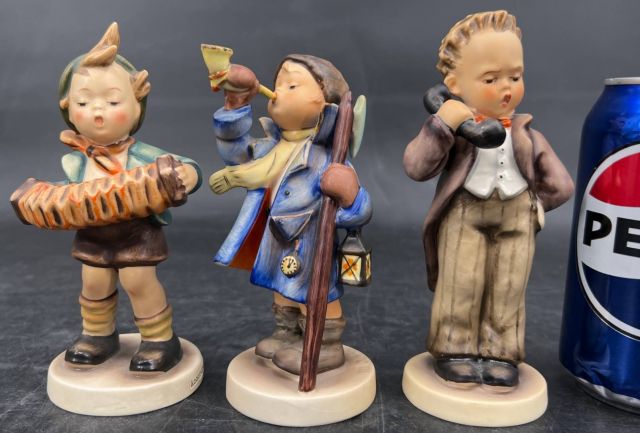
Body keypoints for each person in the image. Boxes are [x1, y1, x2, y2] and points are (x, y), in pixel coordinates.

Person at [403, 10, 574, 387]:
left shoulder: (528, 136)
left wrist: (534, 208)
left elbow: (561, 185)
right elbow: (416, 167)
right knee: (460, 283)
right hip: (465, 213)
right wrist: (442, 124)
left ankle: (501, 353)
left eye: (515, 76)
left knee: (508, 288)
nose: (506, 88)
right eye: (491, 79)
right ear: (454, 84)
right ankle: (455, 348)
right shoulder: (456, 131)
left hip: (517, 215)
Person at [210, 54, 372, 374]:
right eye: (279, 83)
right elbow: (235, 153)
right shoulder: (268, 148)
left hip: (308, 242)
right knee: (281, 288)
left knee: (314, 293)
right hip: (275, 238)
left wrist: (350, 195)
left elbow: (360, 211)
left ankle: (325, 343)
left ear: (326, 106)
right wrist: (234, 108)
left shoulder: (327, 159)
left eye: (292, 85)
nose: (278, 91)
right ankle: (287, 332)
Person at [55, 23, 202, 372]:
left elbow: (186, 166)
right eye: (83, 102)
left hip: (137, 232)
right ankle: (97, 335)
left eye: (112, 101)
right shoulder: (76, 161)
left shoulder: (142, 156)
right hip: (93, 232)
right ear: (67, 108)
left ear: (137, 105)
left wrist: (186, 175)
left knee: (137, 281)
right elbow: (66, 191)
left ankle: (159, 339)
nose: (98, 111)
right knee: (93, 281)